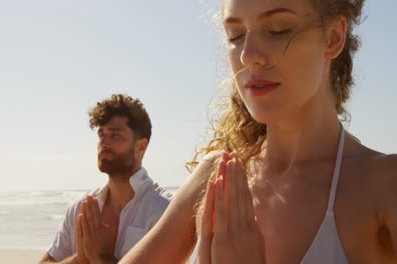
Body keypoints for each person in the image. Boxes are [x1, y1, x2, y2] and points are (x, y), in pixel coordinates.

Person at [116, 0, 397, 263]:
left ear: (333, 37)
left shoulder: (383, 185)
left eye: (278, 30)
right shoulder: (215, 177)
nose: (248, 56)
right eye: (235, 35)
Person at [39, 94, 172, 264]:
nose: (103, 142)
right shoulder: (81, 209)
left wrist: (101, 258)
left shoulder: (163, 211)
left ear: (141, 146)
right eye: (101, 135)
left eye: (115, 136)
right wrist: (80, 259)